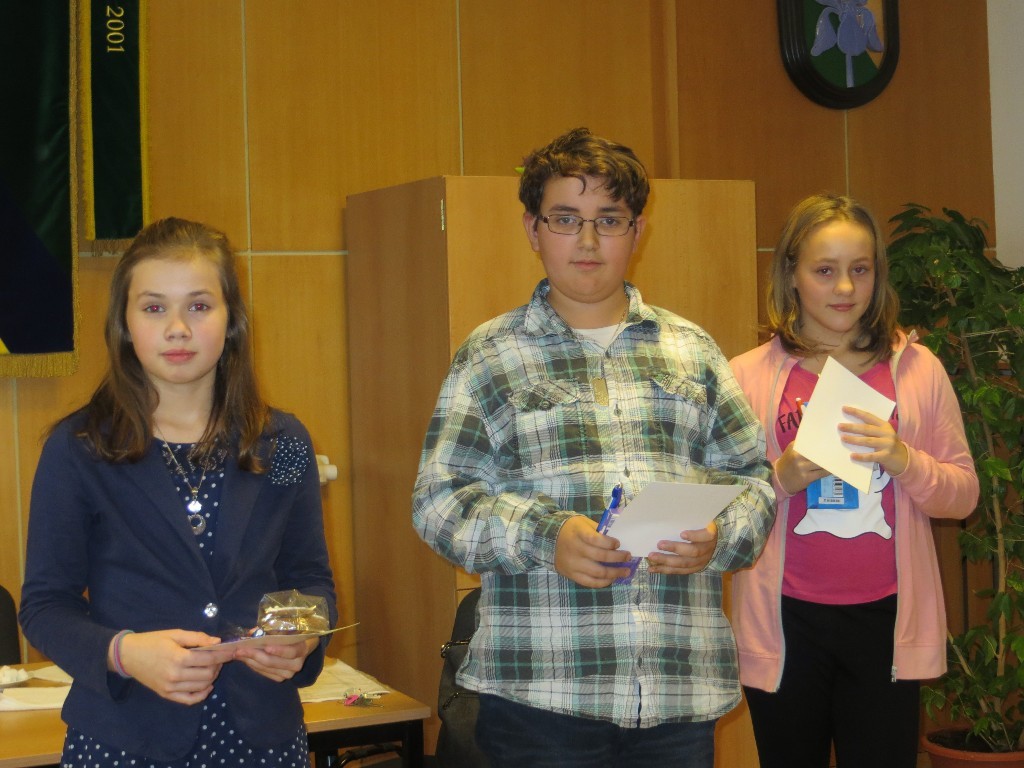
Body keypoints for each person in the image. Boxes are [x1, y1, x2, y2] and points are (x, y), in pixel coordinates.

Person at [411, 127, 776, 767]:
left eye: (608, 220)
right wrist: (546, 536)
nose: (587, 241)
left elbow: (754, 481)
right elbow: (439, 503)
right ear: (533, 230)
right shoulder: (490, 356)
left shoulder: (692, 351)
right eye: (565, 219)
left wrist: (719, 536)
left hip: (677, 696)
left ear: (637, 231)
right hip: (539, 700)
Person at [19, 217, 337, 767]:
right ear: (124, 324)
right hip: (124, 740)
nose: (177, 329)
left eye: (199, 306)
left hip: (263, 739)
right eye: (153, 308)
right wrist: (124, 653)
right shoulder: (79, 448)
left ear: (232, 320)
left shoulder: (284, 442)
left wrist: (301, 636)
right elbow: (46, 605)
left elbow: (309, 579)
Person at [729, 193, 979, 768]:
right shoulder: (746, 375)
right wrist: (781, 478)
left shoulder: (917, 369)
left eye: (859, 270)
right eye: (825, 271)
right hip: (784, 622)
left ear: (877, 275)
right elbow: (724, 511)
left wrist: (904, 459)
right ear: (791, 275)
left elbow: (963, 494)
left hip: (886, 620)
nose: (845, 288)